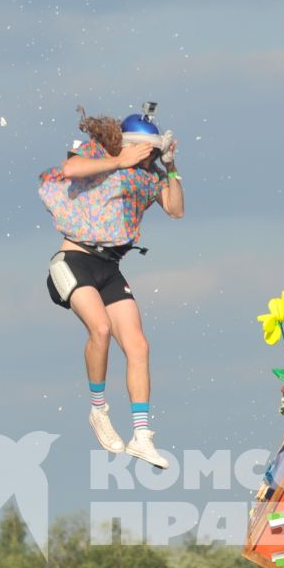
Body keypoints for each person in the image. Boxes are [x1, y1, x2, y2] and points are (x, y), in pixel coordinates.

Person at [39, 106, 184, 469]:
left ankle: (141, 434)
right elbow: (70, 170)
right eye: (145, 152)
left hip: (110, 268)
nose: (146, 158)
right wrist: (118, 161)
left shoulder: (146, 178)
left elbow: (176, 208)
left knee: (138, 345)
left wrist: (170, 168)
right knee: (100, 328)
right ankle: (99, 410)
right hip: (73, 261)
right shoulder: (97, 154)